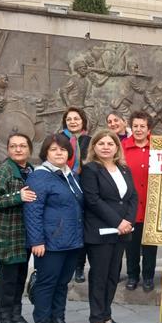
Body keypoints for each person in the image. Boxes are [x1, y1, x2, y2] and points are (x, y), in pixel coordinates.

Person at [24, 133, 84, 323]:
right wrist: (37, 241)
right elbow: (33, 211)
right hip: (50, 242)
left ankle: (58, 318)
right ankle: (42, 321)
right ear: (46, 153)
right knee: (46, 283)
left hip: (72, 240)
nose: (59, 153)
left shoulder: (70, 175)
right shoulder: (39, 176)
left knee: (62, 282)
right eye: (54, 149)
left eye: (63, 149)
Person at [81, 129, 137, 323]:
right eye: (101, 143)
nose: (106, 147)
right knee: (100, 275)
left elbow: (132, 197)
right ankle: (96, 318)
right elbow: (93, 200)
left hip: (121, 232)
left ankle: (107, 314)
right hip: (100, 232)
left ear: (116, 147)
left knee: (113, 275)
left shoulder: (124, 169)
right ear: (94, 147)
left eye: (110, 143)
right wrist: (118, 221)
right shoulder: (90, 170)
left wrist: (128, 221)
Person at [0, 131, 38, 323]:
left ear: (29, 149)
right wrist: (18, 196)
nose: (18, 149)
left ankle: (16, 315)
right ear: (8, 150)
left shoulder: (31, 169)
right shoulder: (4, 171)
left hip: (24, 235)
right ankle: (4, 319)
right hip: (8, 235)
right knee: (8, 280)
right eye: (14, 146)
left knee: (20, 278)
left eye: (22, 146)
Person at [122, 111, 156, 291]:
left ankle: (149, 277)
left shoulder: (158, 148)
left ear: (149, 128)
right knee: (131, 245)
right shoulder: (122, 148)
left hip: (151, 204)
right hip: (131, 206)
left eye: (142, 126)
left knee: (150, 243)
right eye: (135, 126)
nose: (139, 129)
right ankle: (133, 275)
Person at [61, 107, 91, 283]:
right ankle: (66, 265)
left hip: (84, 188)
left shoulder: (90, 140)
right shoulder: (59, 140)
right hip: (65, 187)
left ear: (83, 121)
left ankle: (79, 267)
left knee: (82, 230)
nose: (73, 122)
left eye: (76, 119)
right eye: (69, 119)